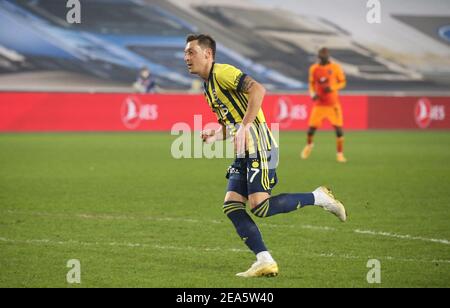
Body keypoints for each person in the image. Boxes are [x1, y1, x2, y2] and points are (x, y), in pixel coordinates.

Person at [184, 34, 347, 278]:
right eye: (185, 53)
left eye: (191, 52)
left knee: (260, 206)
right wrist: (216, 135)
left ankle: (319, 197)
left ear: (208, 54)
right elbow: (233, 123)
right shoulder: (208, 88)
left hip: (260, 143)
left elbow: (258, 90)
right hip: (244, 150)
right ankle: (265, 260)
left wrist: (247, 126)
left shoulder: (223, 72)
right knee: (231, 206)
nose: (186, 57)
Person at [301, 48, 347, 163]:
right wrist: (312, 94)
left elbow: (343, 82)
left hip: (333, 105)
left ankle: (340, 154)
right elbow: (311, 83)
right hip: (319, 105)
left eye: (325, 57)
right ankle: (309, 146)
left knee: (339, 130)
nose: (323, 59)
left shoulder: (335, 67)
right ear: (319, 57)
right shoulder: (314, 69)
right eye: (322, 57)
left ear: (328, 57)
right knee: (311, 130)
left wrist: (332, 88)